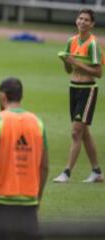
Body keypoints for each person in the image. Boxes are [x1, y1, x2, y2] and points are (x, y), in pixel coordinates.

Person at [0, 77, 49, 240]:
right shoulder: (38, 123)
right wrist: (37, 199)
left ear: (2, 96)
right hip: (28, 201)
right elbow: (44, 167)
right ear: (20, 96)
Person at [54, 9, 104, 183]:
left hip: (88, 89)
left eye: (86, 20)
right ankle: (97, 171)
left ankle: (67, 172)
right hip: (73, 87)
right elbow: (69, 70)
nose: (82, 22)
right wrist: (66, 63)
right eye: (80, 18)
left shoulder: (93, 45)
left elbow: (98, 73)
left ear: (92, 24)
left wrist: (77, 63)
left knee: (76, 131)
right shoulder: (71, 41)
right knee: (84, 133)